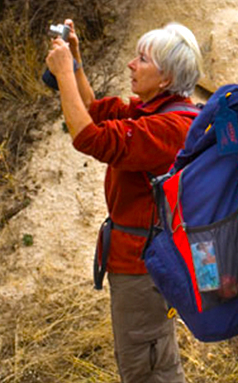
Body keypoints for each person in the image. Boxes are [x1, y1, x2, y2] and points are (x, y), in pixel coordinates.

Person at [46, 20, 204, 383]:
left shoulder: (170, 128)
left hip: (143, 266)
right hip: (138, 259)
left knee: (148, 365)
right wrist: (77, 64)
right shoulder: (153, 111)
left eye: (142, 59)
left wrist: (64, 75)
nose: (131, 64)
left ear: (166, 78)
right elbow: (93, 111)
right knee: (147, 355)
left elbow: (90, 138)